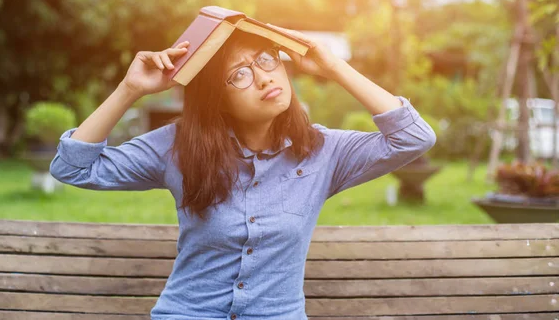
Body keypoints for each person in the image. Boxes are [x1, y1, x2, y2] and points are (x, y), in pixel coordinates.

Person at [49, 25, 437, 320]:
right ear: (217, 98)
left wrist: (334, 67)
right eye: (240, 74)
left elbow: (414, 138)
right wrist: (129, 90)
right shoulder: (179, 147)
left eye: (267, 60)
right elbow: (72, 168)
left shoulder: (323, 152)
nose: (265, 77)